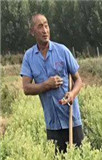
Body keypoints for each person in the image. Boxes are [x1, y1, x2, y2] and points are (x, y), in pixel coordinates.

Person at [20, 13, 84, 152]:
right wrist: (46, 85)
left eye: (46, 25)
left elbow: (78, 80)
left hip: (71, 120)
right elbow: (26, 88)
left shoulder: (62, 51)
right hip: (52, 125)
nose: (45, 30)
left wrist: (72, 94)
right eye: (40, 27)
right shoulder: (29, 57)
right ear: (32, 32)